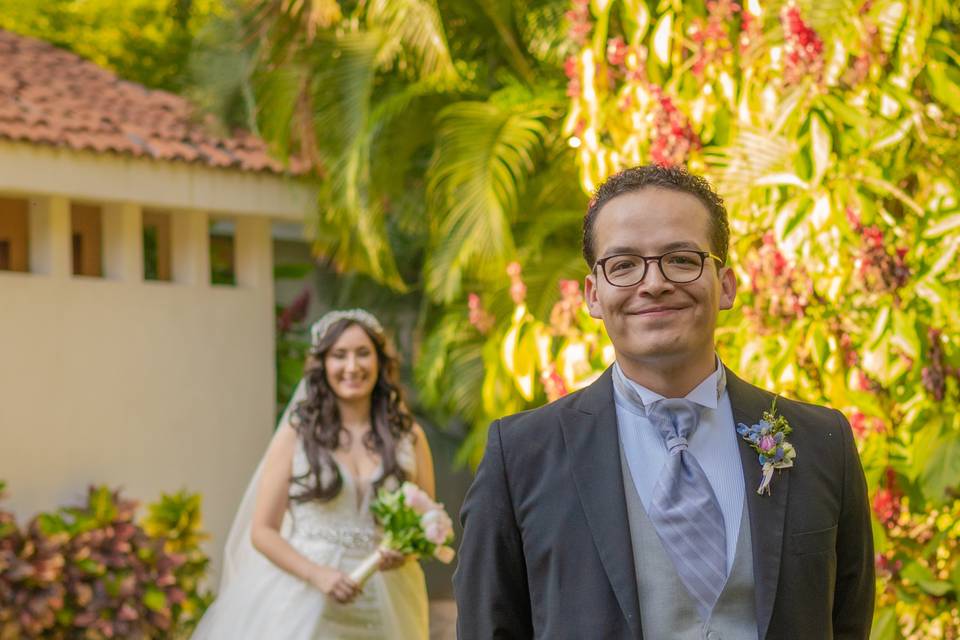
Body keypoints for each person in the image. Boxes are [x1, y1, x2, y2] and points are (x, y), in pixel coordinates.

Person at [453, 165, 874, 639]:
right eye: (624, 265)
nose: (652, 283)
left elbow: (848, 621)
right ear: (594, 294)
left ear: (726, 284)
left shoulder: (822, 442)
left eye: (680, 259)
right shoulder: (522, 455)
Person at [193, 309, 433, 639]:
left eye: (363, 353)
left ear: (380, 362)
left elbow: (426, 524)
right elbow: (262, 531)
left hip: (388, 599)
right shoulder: (296, 436)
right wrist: (317, 575)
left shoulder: (410, 438)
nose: (352, 367)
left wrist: (405, 551)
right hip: (303, 598)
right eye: (340, 355)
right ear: (323, 365)